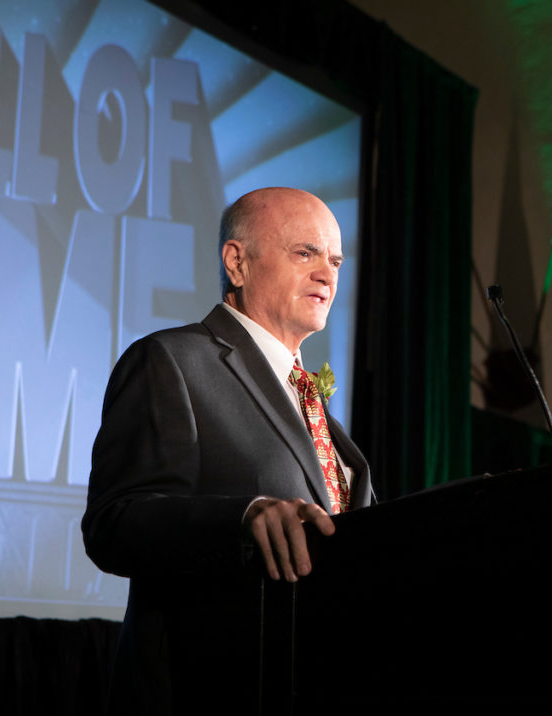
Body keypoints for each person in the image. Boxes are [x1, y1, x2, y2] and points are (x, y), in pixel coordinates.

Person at [82, 187, 374, 713]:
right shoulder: (171, 362)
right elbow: (115, 523)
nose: (327, 275)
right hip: (207, 696)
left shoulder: (312, 402)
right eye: (304, 253)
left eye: (334, 260)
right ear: (237, 263)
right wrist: (242, 518)